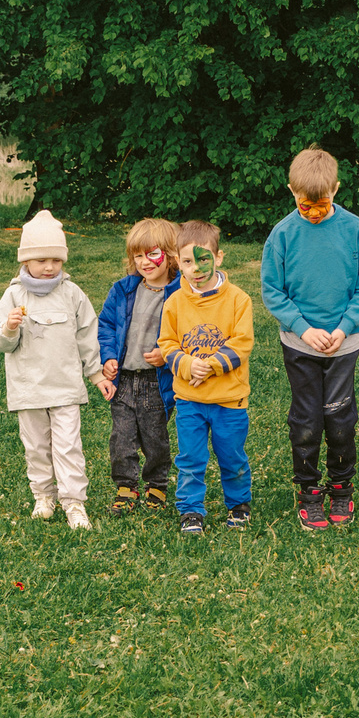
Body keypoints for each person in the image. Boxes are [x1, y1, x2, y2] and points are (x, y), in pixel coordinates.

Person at [258, 147, 359, 530]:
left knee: (340, 417)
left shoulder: (355, 230)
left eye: (321, 204)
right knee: (307, 419)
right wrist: (303, 328)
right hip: (300, 344)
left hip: (344, 344)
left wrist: (344, 327)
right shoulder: (282, 234)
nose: (312, 212)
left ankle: (341, 487)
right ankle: (308, 490)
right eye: (304, 203)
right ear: (292, 191)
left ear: (337, 190)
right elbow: (272, 290)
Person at [0, 210, 103, 529]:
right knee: (36, 447)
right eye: (41, 260)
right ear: (25, 261)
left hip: (65, 387)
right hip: (28, 389)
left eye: (56, 259)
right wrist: (9, 329)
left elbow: (88, 335)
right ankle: (43, 496)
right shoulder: (13, 295)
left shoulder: (72, 294)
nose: (49, 266)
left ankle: (74, 503)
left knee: (68, 447)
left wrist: (95, 373)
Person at [155, 220, 254, 533]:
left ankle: (238, 506)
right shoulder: (174, 303)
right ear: (178, 263)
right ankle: (191, 511)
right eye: (187, 261)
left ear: (219, 257)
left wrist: (209, 365)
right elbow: (167, 344)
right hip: (189, 401)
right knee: (191, 459)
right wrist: (186, 364)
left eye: (202, 259)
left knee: (232, 458)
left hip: (230, 400)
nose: (195, 267)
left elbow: (242, 344)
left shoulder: (239, 300)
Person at [95, 218, 179, 516]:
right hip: (126, 379)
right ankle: (125, 486)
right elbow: (105, 325)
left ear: (170, 254)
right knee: (122, 437)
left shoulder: (182, 294)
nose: (144, 261)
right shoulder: (123, 290)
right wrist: (107, 356)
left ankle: (156, 484)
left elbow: (190, 333)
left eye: (151, 253)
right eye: (138, 255)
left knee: (156, 437)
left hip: (158, 381)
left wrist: (167, 355)